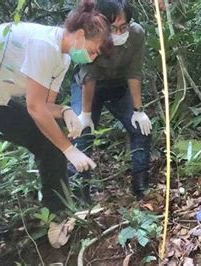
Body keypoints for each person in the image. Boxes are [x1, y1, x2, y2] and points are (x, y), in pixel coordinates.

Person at [0, 0, 111, 261]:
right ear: (79, 35)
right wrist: (70, 150)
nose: (93, 56)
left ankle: (59, 217)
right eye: (94, 49)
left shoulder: (63, 58)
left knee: (48, 142)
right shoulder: (44, 44)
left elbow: (45, 106)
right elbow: (34, 108)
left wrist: (65, 111)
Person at [69, 0, 152, 201]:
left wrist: (138, 110)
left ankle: (140, 186)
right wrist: (85, 115)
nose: (118, 32)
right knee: (82, 134)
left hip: (118, 85)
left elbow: (134, 72)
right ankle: (79, 193)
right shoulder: (92, 33)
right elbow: (89, 75)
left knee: (141, 129)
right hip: (88, 87)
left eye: (123, 27)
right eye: (113, 28)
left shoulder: (136, 34)